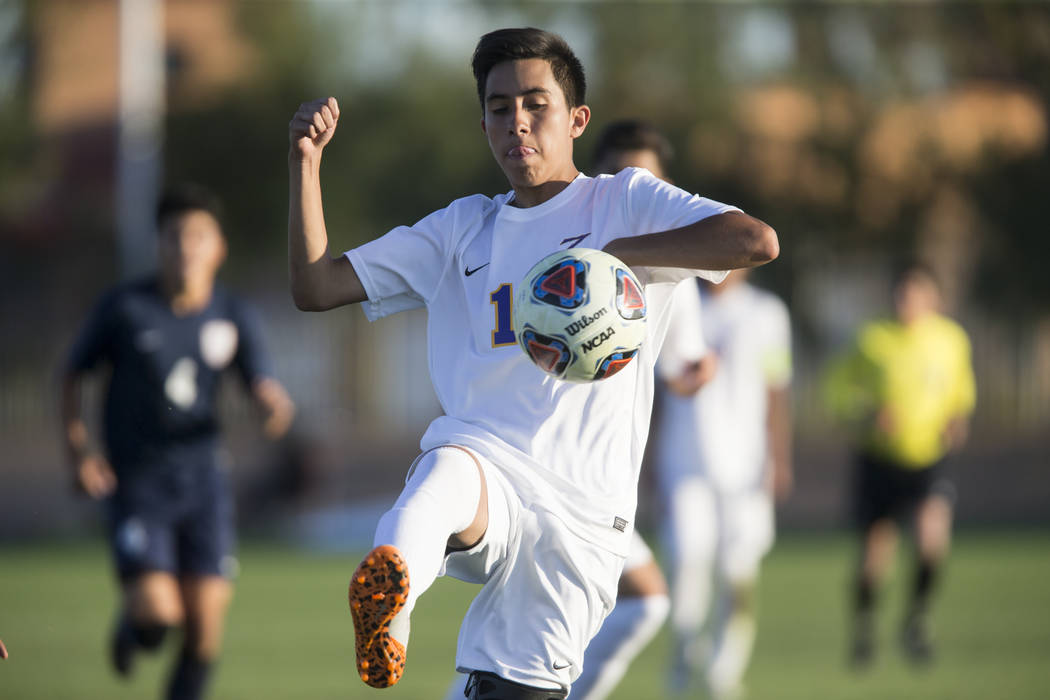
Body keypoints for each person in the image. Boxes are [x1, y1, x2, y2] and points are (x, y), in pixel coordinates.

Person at [287, 27, 778, 699]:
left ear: (577, 119)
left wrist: (621, 258)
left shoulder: (625, 200)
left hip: (584, 515)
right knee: (447, 466)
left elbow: (756, 240)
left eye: (534, 103)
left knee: (507, 691)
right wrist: (306, 165)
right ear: (484, 122)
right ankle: (389, 607)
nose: (516, 121)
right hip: (490, 470)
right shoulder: (462, 228)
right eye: (498, 107)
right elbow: (316, 288)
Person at [442, 118, 697, 700]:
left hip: (597, 478)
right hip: (528, 465)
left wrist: (690, 373)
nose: (640, 188)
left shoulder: (661, 264)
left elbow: (684, 364)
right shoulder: (544, 242)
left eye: (651, 180)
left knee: (630, 607)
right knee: (633, 603)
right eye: (627, 173)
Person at [60, 185, 295, 700]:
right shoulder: (124, 309)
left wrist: (272, 407)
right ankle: (133, 625)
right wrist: (80, 451)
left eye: (197, 236)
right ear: (159, 245)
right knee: (158, 617)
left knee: (205, 634)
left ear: (218, 248)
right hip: (139, 480)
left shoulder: (232, 315)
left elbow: (261, 384)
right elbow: (74, 375)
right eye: (174, 237)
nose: (185, 247)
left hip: (205, 482)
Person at [825, 262, 975, 669]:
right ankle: (864, 624)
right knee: (875, 557)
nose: (906, 301)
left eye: (915, 293)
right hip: (879, 458)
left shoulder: (951, 340)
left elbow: (961, 392)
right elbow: (837, 394)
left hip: (929, 458)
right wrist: (867, 414)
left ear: (934, 298)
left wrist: (956, 420)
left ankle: (917, 620)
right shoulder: (871, 339)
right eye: (901, 293)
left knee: (932, 538)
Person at [651, 267, 793, 699]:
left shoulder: (767, 314)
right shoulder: (677, 300)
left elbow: (776, 388)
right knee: (687, 558)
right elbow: (658, 386)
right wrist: (647, 457)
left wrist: (779, 456)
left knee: (738, 568)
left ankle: (725, 668)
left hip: (745, 464)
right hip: (684, 458)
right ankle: (684, 652)